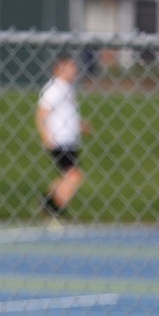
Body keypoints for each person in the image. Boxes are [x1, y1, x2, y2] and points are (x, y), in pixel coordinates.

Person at [36, 52, 91, 218]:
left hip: (69, 139)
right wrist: (47, 136)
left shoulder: (67, 88)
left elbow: (67, 113)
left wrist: (80, 125)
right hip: (59, 140)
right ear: (59, 68)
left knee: (69, 175)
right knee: (73, 176)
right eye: (70, 67)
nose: (74, 71)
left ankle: (48, 203)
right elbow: (42, 113)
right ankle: (54, 209)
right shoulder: (55, 88)